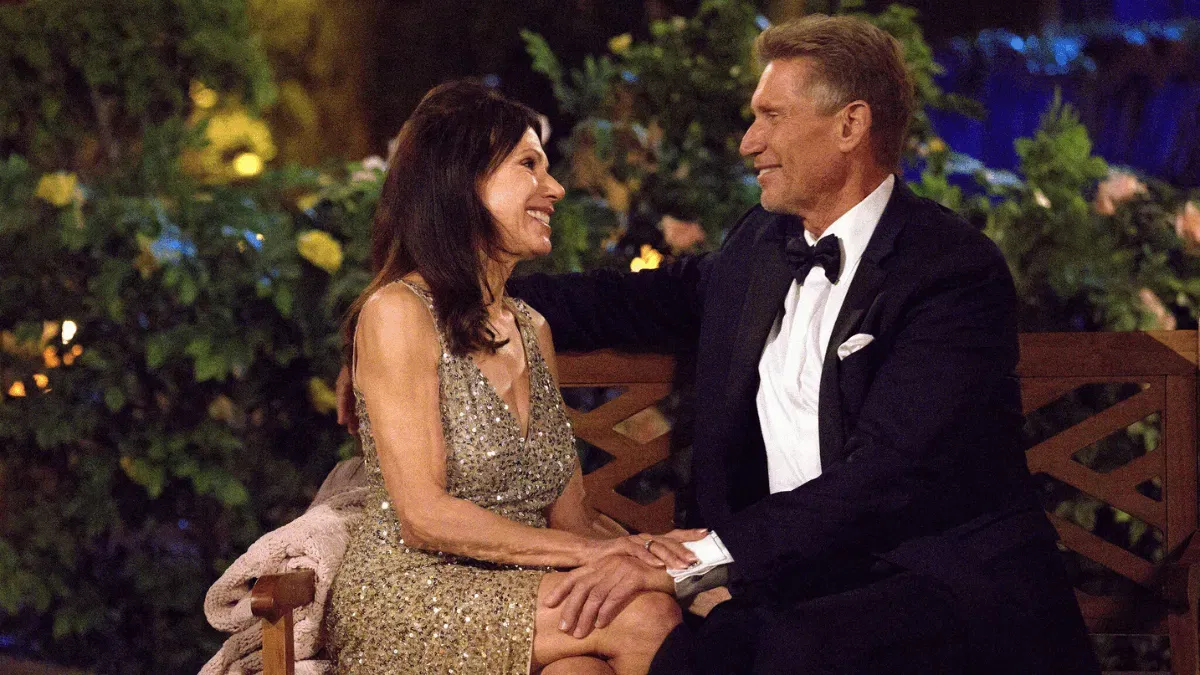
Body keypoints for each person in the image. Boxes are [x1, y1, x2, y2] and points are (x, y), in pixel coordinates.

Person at [503, 15, 1101, 675]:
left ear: (850, 125)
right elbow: (630, 301)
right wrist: (458, 292)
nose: (749, 141)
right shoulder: (761, 246)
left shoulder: (951, 271)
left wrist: (699, 560)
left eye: (772, 117)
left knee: (707, 651)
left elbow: (887, 476)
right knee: (600, 646)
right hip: (791, 579)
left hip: (928, 580)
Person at [326, 80, 707, 675]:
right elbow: (424, 517)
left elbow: (571, 517)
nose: (554, 188)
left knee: (581, 669)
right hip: (414, 592)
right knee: (644, 614)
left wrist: (646, 551)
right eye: (529, 165)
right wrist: (602, 555)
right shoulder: (397, 313)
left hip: (523, 581)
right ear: (461, 182)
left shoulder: (532, 328)